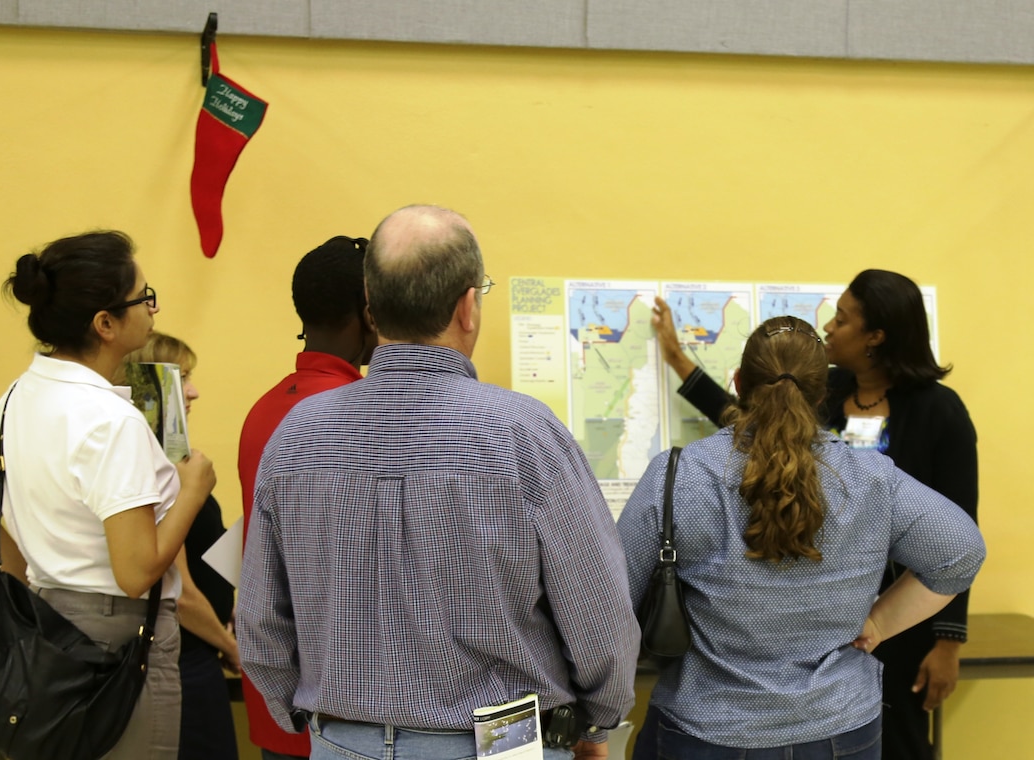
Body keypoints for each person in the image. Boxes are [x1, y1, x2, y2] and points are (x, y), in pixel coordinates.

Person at [238, 205, 640, 760]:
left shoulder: (297, 435)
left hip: (341, 740)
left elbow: (260, 623)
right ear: (468, 307)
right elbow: (599, 616)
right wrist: (595, 724)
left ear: (373, 310)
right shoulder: (525, 435)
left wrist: (317, 715)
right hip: (504, 744)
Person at [618, 314, 985, 759]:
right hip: (842, 730)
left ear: (738, 382)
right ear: (822, 394)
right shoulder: (870, 478)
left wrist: (597, 717)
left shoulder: (680, 477)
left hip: (707, 728)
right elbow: (960, 551)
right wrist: (880, 623)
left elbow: (611, 605)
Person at [0, 231, 216, 759]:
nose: (154, 308)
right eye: (145, 297)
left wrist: (43, 587)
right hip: (120, 638)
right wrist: (192, 491)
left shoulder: (19, 394)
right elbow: (136, 570)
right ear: (105, 323)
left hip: (45, 626)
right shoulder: (111, 419)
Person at [237, 234, 376, 760]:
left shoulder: (263, 408)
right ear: (368, 313)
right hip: (341, 697)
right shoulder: (353, 413)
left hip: (275, 689)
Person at [119, 332, 240, 760]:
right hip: (184, 658)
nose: (193, 391)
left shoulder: (170, 462)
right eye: (182, 377)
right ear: (147, 384)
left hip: (199, 646)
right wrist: (233, 649)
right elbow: (181, 593)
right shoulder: (151, 471)